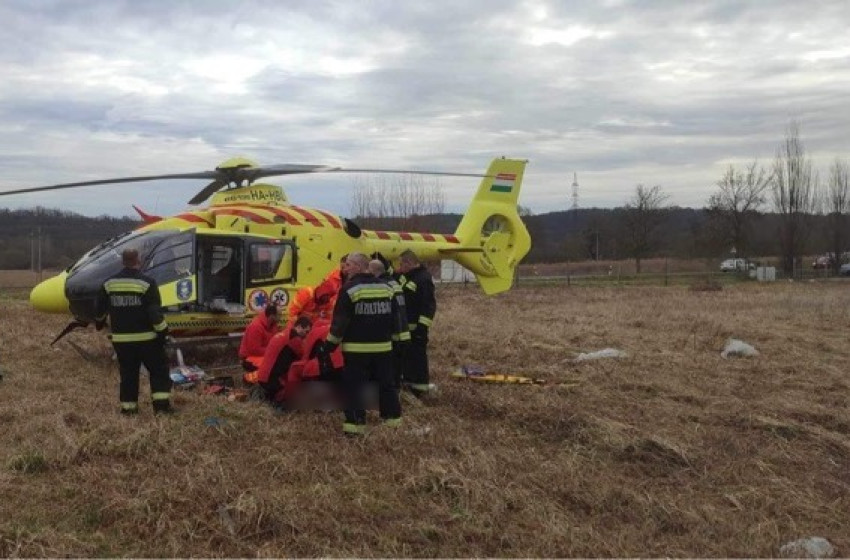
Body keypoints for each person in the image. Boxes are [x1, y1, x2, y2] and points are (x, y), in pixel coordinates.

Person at [318, 252, 402, 435]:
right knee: (387, 386)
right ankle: (393, 423)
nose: (344, 268)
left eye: (347, 265)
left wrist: (328, 347)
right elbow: (396, 318)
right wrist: (397, 343)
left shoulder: (349, 289)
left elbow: (339, 324)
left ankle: (355, 427)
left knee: (354, 388)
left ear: (357, 266)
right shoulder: (387, 288)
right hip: (384, 349)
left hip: (356, 350)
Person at [96, 248, 173, 415]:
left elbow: (100, 311)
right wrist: (163, 332)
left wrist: (99, 323)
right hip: (148, 340)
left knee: (128, 375)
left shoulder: (109, 284)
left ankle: (129, 410)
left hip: (122, 342)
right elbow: (154, 313)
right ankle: (161, 408)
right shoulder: (147, 283)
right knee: (159, 371)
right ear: (139, 260)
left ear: (122, 262)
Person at [396, 249, 436, 396]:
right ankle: (408, 383)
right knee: (406, 359)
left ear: (410, 263)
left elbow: (428, 306)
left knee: (418, 359)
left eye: (402, 263)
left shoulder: (423, 279)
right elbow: (395, 279)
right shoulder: (407, 276)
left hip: (416, 329)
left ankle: (419, 388)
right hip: (405, 329)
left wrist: (422, 328)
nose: (400, 266)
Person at [369, 257, 411, 388]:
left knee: (389, 373)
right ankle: (397, 395)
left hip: (393, 335)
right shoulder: (393, 283)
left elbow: (385, 313)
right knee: (396, 372)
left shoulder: (382, 285)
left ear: (374, 272)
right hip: (403, 333)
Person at [256, 316, 312, 402]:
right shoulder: (295, 339)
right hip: (272, 381)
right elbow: (304, 357)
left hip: (262, 377)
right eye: (306, 331)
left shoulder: (284, 333)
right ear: (299, 327)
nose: (307, 335)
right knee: (290, 404)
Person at [239, 304, 282, 377]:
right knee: (273, 366)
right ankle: (248, 379)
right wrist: (272, 351)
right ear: (272, 316)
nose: (281, 317)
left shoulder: (273, 325)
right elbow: (254, 350)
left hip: (263, 355)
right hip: (249, 358)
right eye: (279, 315)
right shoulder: (256, 326)